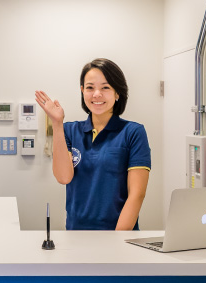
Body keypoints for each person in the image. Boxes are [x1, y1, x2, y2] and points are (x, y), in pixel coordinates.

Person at [35, 58, 151, 230]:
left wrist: (118, 239)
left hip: (119, 234)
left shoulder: (133, 132)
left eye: (105, 87)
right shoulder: (69, 131)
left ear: (117, 93)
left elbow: (137, 195)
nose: (97, 94)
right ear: (82, 91)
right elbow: (63, 177)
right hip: (76, 233)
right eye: (90, 87)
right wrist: (57, 124)